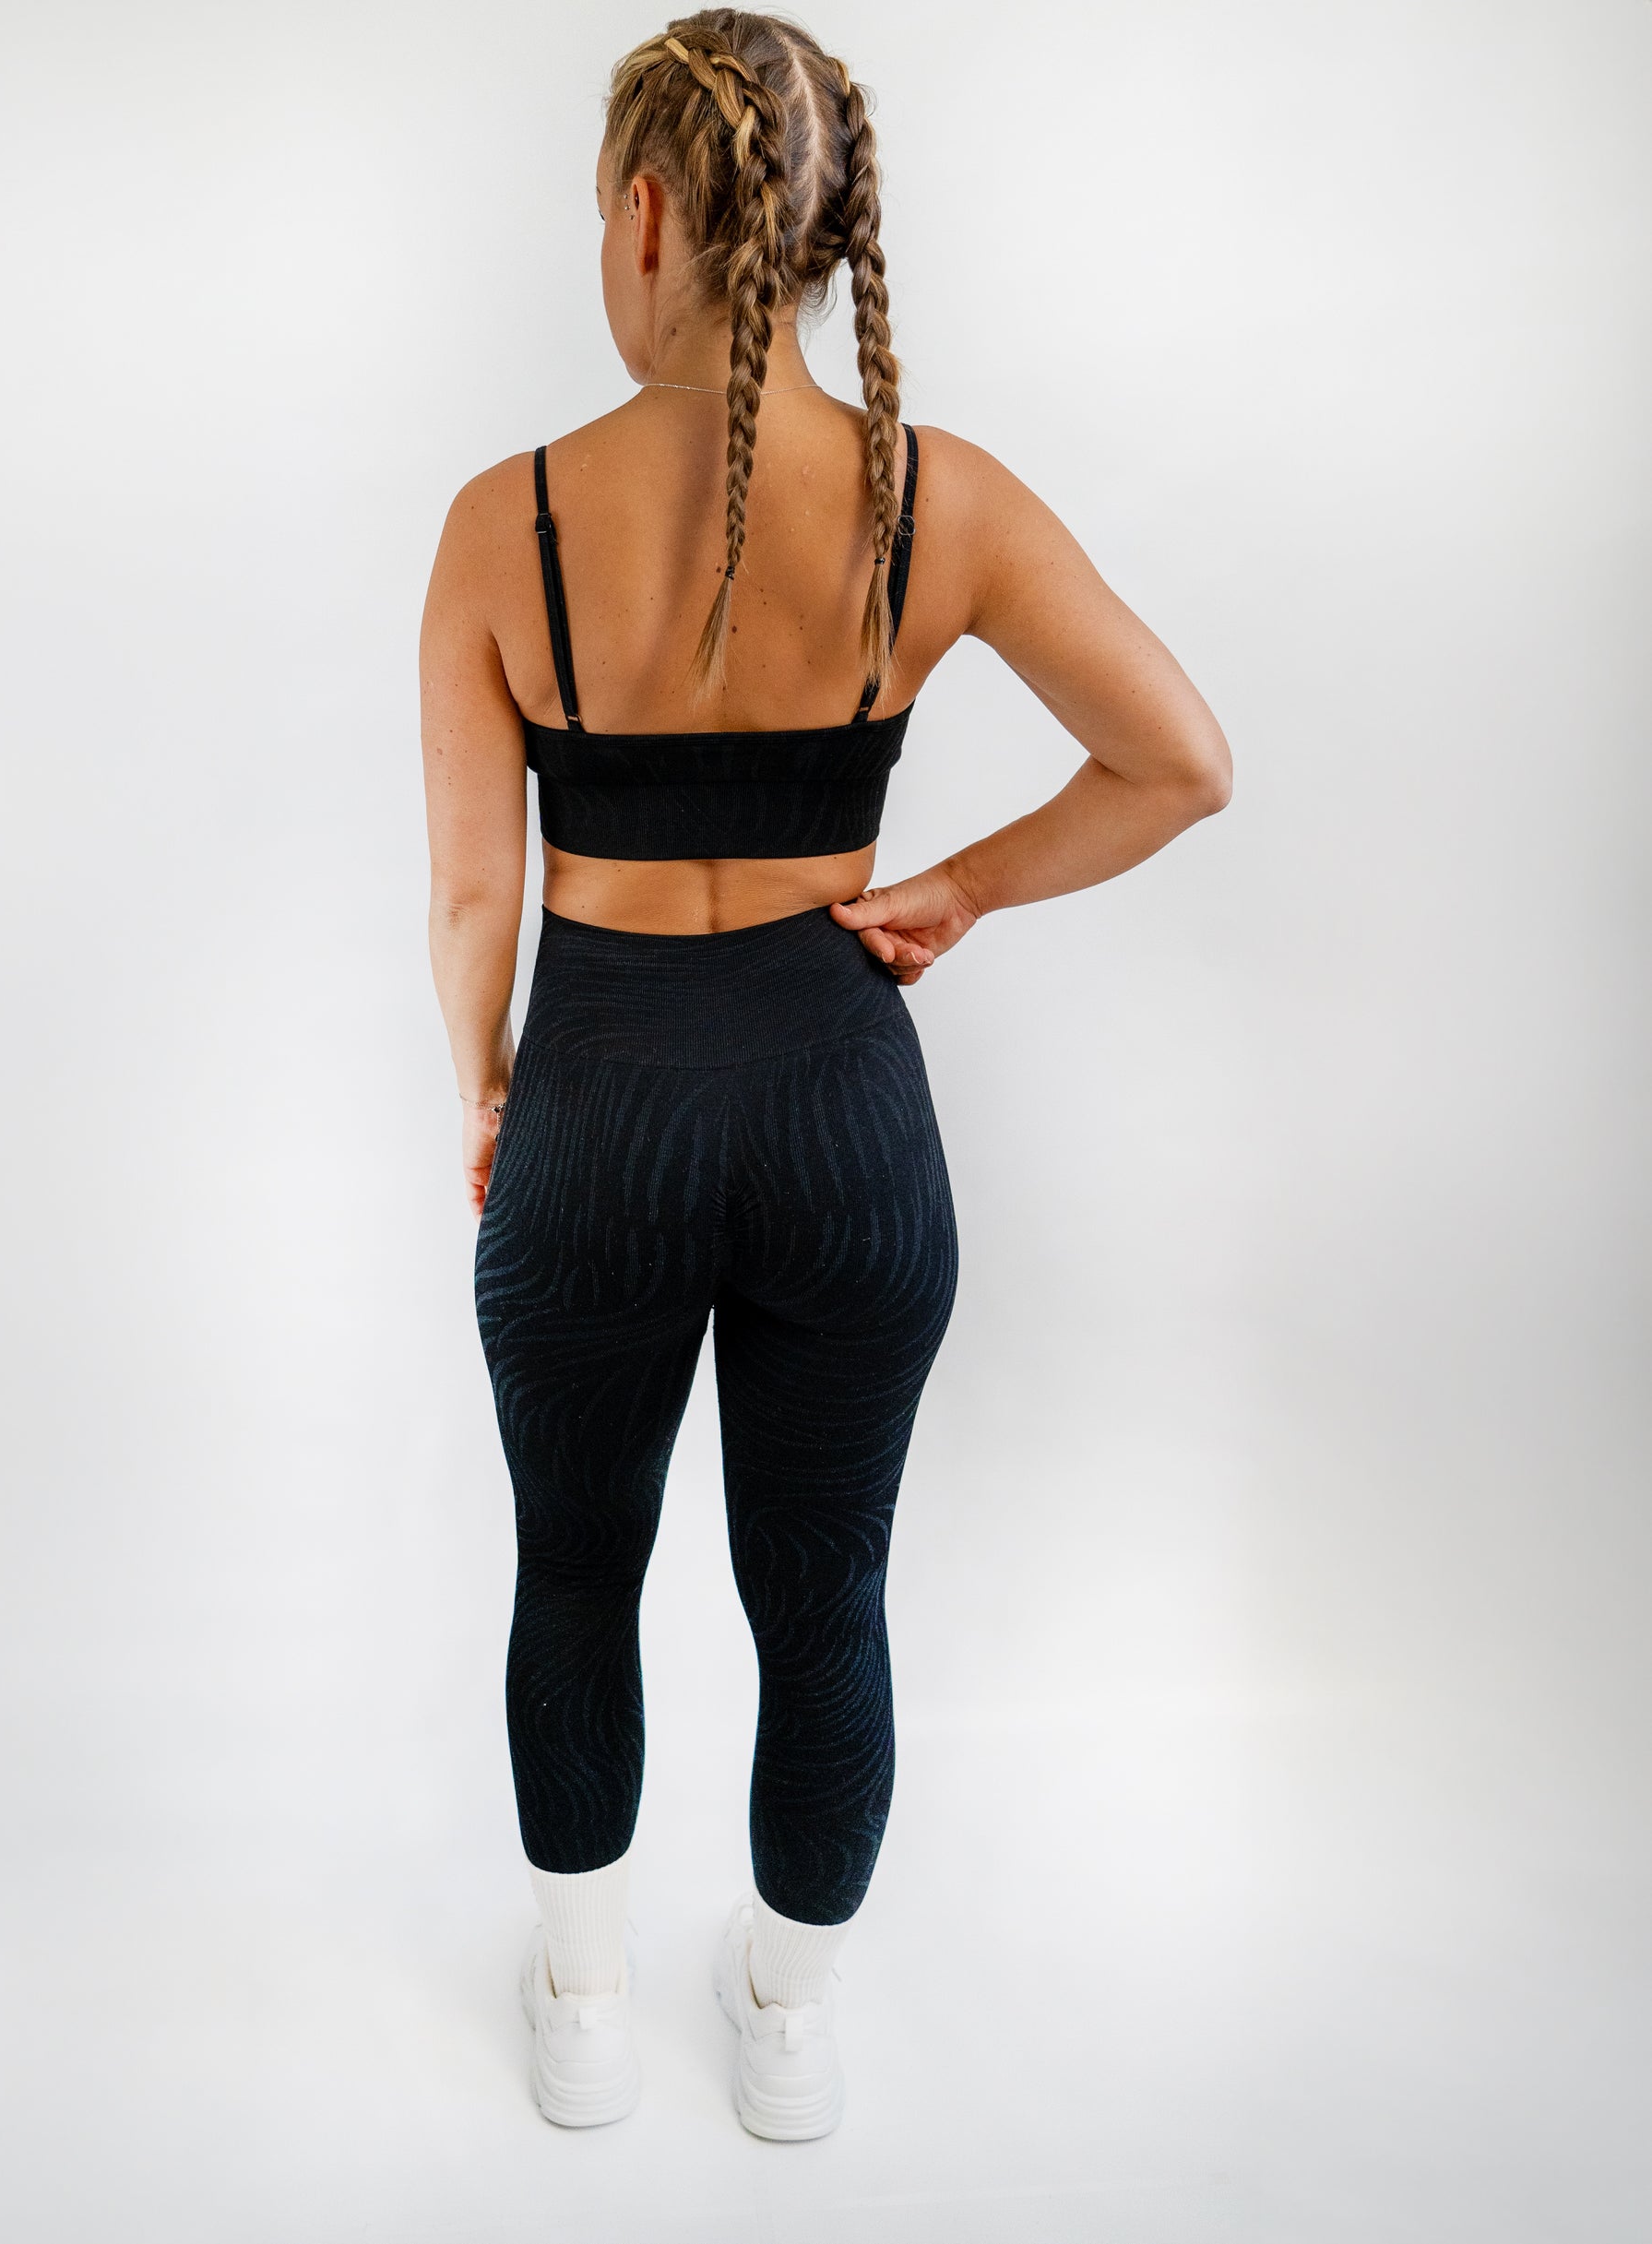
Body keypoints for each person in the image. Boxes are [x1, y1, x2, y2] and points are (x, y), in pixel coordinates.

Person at [418, 8, 1231, 2140]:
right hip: (841, 1117)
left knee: (572, 1567)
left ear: (648, 212)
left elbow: (473, 898)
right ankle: (785, 2016)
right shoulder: (932, 497)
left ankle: (582, 2004)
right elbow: (1179, 759)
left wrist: (491, 1087)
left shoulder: (504, 521)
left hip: (598, 1106)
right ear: (818, 225)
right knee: (827, 1587)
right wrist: (953, 886)